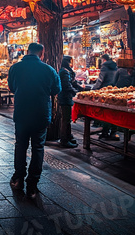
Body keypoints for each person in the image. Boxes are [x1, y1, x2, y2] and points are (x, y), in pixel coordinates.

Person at [7, 43, 61, 199]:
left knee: (20, 145)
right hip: (40, 114)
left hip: (22, 113)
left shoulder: (15, 68)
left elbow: (11, 87)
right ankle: (32, 185)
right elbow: (56, 90)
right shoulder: (48, 70)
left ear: (27, 51)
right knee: (38, 148)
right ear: (42, 53)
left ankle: (18, 179)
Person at [58, 56, 85, 149]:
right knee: (66, 120)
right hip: (65, 98)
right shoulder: (64, 72)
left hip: (66, 97)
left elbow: (72, 83)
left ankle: (68, 137)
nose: (71, 64)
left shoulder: (65, 71)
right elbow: (67, 86)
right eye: (70, 62)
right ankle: (64, 140)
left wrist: (81, 89)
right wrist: (76, 92)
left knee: (67, 119)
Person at [93, 54, 120, 140]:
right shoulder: (115, 66)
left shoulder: (104, 67)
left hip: (104, 91)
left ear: (104, 60)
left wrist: (94, 89)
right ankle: (113, 132)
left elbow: (100, 80)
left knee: (106, 113)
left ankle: (105, 132)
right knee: (113, 112)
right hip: (113, 90)